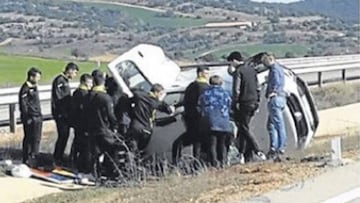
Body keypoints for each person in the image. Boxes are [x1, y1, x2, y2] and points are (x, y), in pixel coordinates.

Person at [227, 51, 266, 163]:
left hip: (243, 103)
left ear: (234, 60)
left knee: (243, 128)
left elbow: (236, 89)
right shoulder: (252, 70)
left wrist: (235, 102)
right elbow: (257, 87)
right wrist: (258, 101)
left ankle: (257, 150)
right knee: (244, 129)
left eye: (230, 62)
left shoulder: (239, 71)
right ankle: (242, 155)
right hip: (254, 102)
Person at [172, 66, 210, 164]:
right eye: (206, 73)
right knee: (198, 144)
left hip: (191, 119)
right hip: (199, 120)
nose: (208, 76)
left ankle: (176, 163)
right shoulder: (204, 87)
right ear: (200, 74)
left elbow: (187, 102)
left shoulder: (191, 86)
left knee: (180, 143)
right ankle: (197, 165)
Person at [85, 70, 119, 174]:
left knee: (94, 153)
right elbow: (110, 115)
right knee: (112, 150)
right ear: (103, 82)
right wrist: (115, 126)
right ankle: (110, 172)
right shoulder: (105, 98)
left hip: (91, 129)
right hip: (104, 129)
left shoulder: (87, 95)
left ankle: (95, 173)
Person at [127, 83, 175, 153]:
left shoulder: (139, 95)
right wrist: (172, 109)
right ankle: (137, 161)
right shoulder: (156, 102)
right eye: (160, 94)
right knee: (141, 150)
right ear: (156, 92)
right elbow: (169, 110)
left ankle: (130, 160)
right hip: (146, 129)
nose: (160, 96)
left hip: (135, 126)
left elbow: (132, 96)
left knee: (131, 148)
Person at [198, 75, 232, 168]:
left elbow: (200, 105)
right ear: (221, 83)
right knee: (222, 144)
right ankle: (223, 162)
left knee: (212, 143)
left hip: (210, 121)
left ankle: (214, 163)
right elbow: (229, 105)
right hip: (223, 121)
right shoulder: (226, 93)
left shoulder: (205, 94)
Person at [52, 62, 79, 165]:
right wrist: (62, 113)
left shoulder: (65, 81)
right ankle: (57, 157)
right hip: (61, 114)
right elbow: (59, 99)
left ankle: (60, 156)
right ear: (70, 70)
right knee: (62, 136)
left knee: (65, 136)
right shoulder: (60, 80)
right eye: (75, 72)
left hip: (66, 114)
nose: (74, 75)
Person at [261, 53, 287, 160]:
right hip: (281, 98)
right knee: (271, 125)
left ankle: (280, 147)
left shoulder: (274, 69)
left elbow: (276, 80)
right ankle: (274, 147)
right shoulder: (280, 69)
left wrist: (273, 91)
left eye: (265, 62)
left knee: (278, 125)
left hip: (275, 98)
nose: (264, 65)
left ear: (270, 60)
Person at [19, 67, 43, 166]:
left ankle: (35, 157)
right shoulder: (25, 88)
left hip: (38, 117)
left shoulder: (35, 87)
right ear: (31, 77)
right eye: (37, 77)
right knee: (29, 138)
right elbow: (23, 104)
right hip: (30, 118)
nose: (38, 79)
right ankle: (27, 158)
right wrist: (27, 117)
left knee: (36, 138)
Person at [70, 73, 93, 170]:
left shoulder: (76, 92)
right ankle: (79, 162)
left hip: (76, 121)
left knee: (76, 141)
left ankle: (73, 159)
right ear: (84, 82)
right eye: (89, 82)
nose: (91, 85)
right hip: (82, 123)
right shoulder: (84, 94)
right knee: (82, 143)